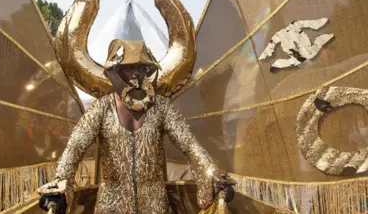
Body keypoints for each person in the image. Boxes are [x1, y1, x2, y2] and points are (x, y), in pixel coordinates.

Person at [38, 39, 233, 213]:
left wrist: (210, 172)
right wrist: (59, 183)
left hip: (155, 206)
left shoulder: (161, 107)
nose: (136, 75)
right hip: (111, 206)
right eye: (129, 68)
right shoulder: (101, 109)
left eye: (141, 69)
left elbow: (190, 145)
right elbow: (74, 148)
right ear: (115, 72)